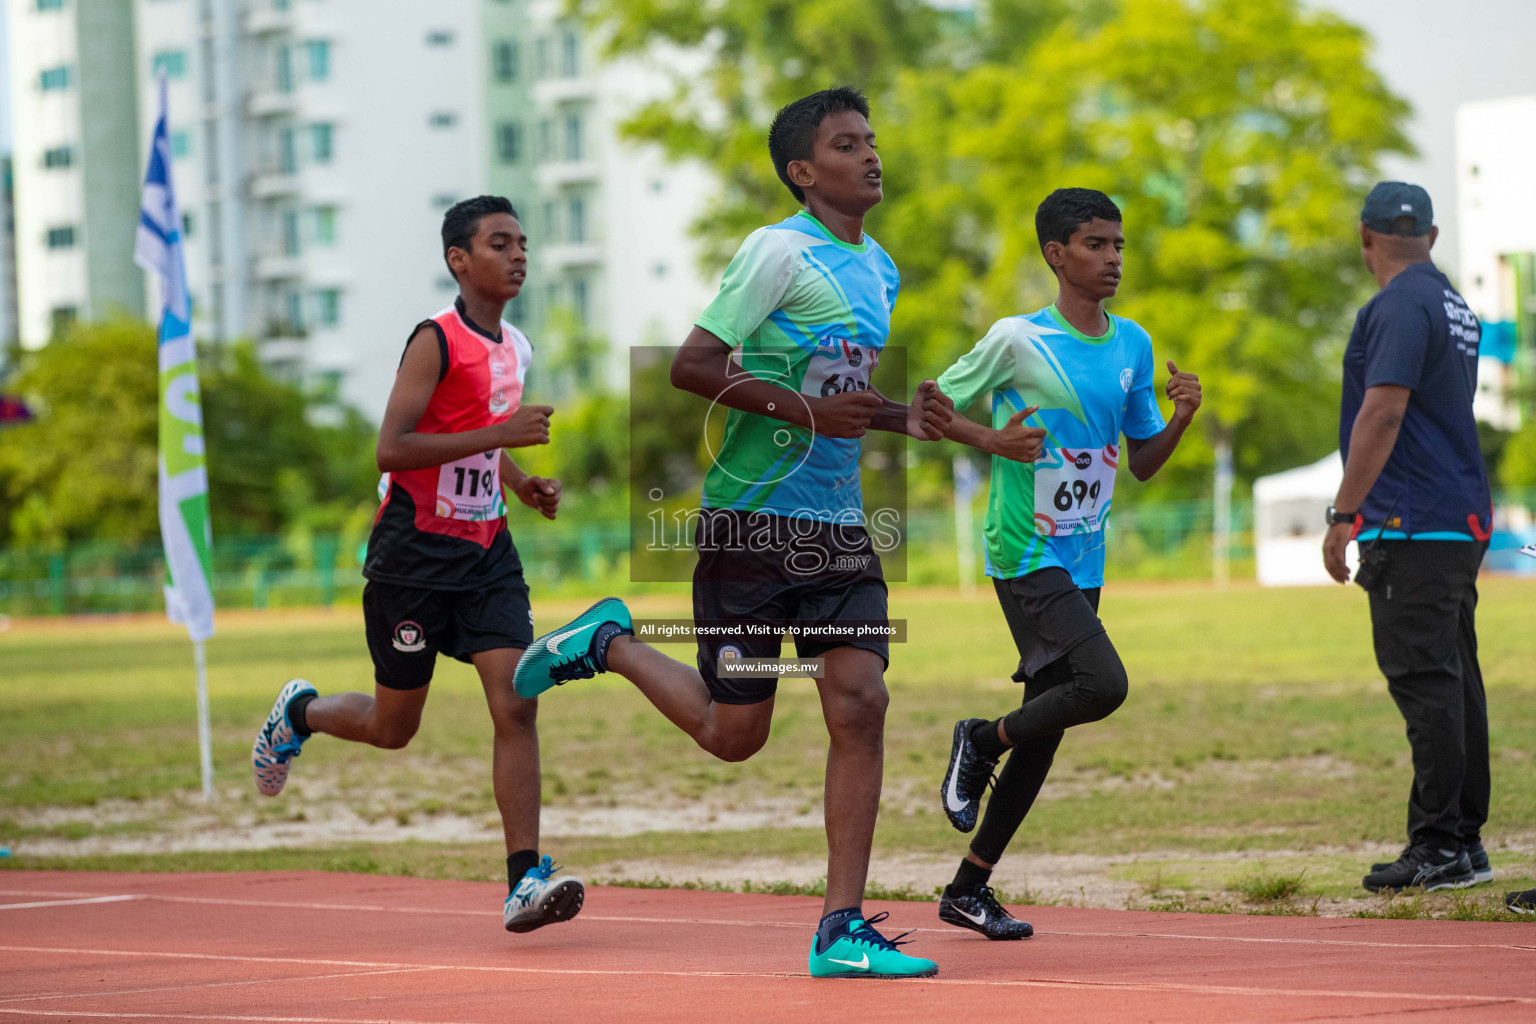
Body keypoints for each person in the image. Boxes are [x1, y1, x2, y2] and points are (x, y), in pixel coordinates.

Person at [514, 87, 952, 979]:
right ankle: (607, 642)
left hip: (837, 528)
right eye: (846, 143)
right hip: (749, 524)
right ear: (804, 171)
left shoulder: (883, 268)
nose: (871, 154)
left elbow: (842, 405)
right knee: (732, 736)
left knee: (860, 702)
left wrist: (913, 418)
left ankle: (840, 931)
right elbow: (692, 365)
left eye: (871, 138)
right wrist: (803, 408)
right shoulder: (775, 252)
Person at [250, 196, 586, 933]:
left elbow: (476, 445)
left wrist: (523, 484)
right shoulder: (435, 339)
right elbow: (394, 448)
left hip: (488, 551)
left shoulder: (517, 348)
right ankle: (300, 712)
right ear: (459, 261)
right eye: (500, 243)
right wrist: (502, 434)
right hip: (414, 555)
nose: (519, 255)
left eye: (523, 242)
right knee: (394, 726)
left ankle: (524, 880)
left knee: (518, 700)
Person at [933, 188, 1202, 938]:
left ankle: (968, 889)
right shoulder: (1017, 340)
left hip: (1085, 556)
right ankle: (979, 739)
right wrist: (991, 441)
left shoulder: (1133, 344)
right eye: (1095, 244)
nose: (1113, 258)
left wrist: (1180, 417)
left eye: (1118, 244)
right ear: (1057, 254)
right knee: (1103, 684)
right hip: (1025, 549)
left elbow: (1142, 463)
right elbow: (931, 409)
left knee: (1046, 725)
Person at [1323, 182, 1493, 895]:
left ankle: (1438, 845)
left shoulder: (1396, 305)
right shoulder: (1454, 304)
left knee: (1425, 682)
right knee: (1456, 680)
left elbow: (1384, 412)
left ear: (1365, 237)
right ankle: (1465, 841)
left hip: (1413, 520)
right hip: (1459, 514)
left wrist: (1342, 516)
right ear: (1433, 234)